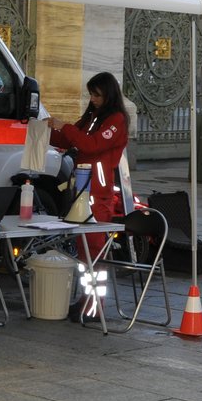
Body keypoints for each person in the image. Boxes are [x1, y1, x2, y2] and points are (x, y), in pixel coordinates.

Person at [47, 71, 129, 321]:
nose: (92, 99)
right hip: (82, 189)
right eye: (91, 95)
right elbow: (68, 138)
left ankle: (95, 306)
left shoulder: (116, 120)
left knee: (94, 252)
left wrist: (66, 127)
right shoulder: (94, 115)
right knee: (83, 252)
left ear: (109, 95)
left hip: (98, 192)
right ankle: (85, 300)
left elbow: (91, 145)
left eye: (97, 95)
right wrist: (47, 128)